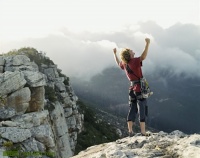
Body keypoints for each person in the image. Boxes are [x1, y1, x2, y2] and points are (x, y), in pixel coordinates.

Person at [113, 38, 150, 137]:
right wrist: (147, 44)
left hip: (132, 88)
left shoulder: (125, 63)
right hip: (139, 88)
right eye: (131, 51)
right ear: (130, 55)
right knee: (142, 107)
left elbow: (118, 63)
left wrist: (114, 54)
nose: (133, 51)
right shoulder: (134, 61)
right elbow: (143, 56)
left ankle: (130, 131)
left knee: (132, 108)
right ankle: (143, 132)